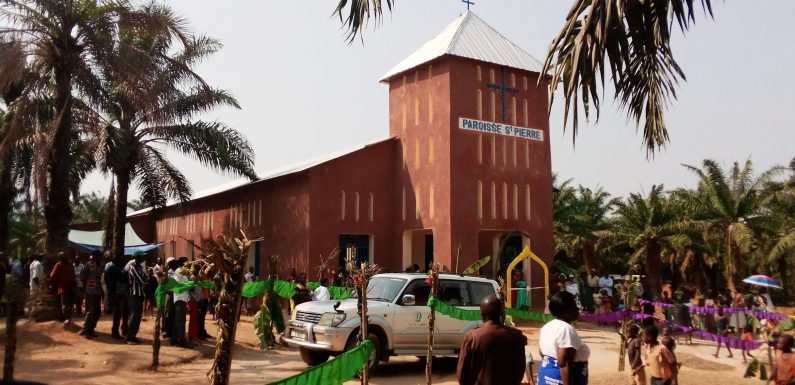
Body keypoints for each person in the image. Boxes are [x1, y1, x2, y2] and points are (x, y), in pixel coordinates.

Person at [456, 294, 527, 385]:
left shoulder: (471, 337)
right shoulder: (516, 335)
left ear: (482, 315)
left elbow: (462, 375)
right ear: (502, 314)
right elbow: (520, 368)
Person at [537, 291, 589, 385]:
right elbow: (563, 363)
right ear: (566, 310)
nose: (577, 309)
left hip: (545, 377)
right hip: (562, 379)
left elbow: (542, 353)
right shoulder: (566, 329)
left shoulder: (547, 326)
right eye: (574, 306)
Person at [79, 252, 103, 338]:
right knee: (91, 311)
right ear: (94, 256)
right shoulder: (88, 265)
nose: (99, 257)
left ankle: (92, 329)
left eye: (100, 256)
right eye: (98, 255)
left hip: (98, 291)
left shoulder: (100, 265)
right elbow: (82, 277)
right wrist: (88, 284)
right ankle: (86, 330)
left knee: (97, 311)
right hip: (90, 291)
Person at [125, 251, 147, 344]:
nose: (144, 258)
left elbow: (146, 278)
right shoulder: (133, 267)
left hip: (140, 294)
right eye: (142, 256)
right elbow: (141, 280)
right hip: (134, 294)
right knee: (134, 316)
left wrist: (146, 280)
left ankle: (133, 336)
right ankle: (129, 337)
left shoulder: (140, 267)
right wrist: (145, 281)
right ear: (138, 257)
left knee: (138, 316)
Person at [171, 257, 192, 348]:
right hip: (180, 299)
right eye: (187, 263)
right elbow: (175, 284)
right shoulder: (179, 271)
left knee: (177, 320)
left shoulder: (183, 272)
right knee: (181, 321)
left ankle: (174, 339)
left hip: (182, 298)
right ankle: (182, 340)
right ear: (183, 263)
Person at [106, 258, 129, 339]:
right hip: (118, 294)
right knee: (118, 313)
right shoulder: (114, 269)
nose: (123, 262)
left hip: (121, 294)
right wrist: (113, 292)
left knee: (124, 312)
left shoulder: (116, 269)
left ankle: (124, 330)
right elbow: (123, 279)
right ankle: (116, 332)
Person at [50, 252, 76, 322]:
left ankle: (69, 318)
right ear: (60, 258)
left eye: (65, 256)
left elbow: (73, 274)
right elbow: (52, 276)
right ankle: (66, 318)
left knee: (70, 303)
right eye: (63, 256)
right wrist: (55, 284)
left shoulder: (70, 264)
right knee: (65, 304)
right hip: (63, 288)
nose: (65, 257)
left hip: (71, 287)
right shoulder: (58, 265)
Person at [28, 253, 44, 318]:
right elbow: (35, 277)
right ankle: (33, 316)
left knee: (33, 301)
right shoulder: (38, 264)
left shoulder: (33, 263)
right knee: (36, 301)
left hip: (33, 285)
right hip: (36, 286)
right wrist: (40, 286)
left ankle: (32, 316)